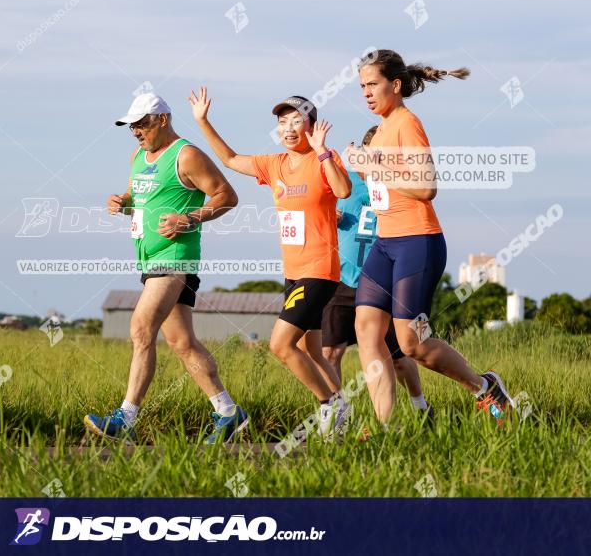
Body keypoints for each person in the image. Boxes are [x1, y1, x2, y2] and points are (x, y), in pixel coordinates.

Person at [346, 50, 513, 424]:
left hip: (416, 242)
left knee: (412, 344)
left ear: (396, 84)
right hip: (385, 244)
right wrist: (361, 164)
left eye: (372, 84)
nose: (366, 93)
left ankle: (483, 386)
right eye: (362, 87)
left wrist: (372, 165)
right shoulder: (383, 128)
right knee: (367, 332)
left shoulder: (407, 123)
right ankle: (384, 427)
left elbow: (426, 188)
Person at [83, 93, 249, 444]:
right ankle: (228, 412)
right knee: (182, 342)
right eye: (132, 126)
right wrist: (123, 202)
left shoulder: (186, 155)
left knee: (141, 328)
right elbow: (139, 196)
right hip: (149, 257)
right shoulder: (138, 156)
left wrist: (189, 218)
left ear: (162, 119)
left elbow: (226, 196)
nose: (136, 131)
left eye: (141, 123)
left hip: (175, 258)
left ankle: (125, 418)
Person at [189, 86, 352, 438]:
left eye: (297, 121)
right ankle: (340, 413)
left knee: (280, 345)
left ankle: (329, 405)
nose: (289, 128)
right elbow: (231, 160)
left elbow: (343, 192)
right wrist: (203, 122)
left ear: (311, 125)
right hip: (293, 273)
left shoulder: (324, 158)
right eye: (283, 122)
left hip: (320, 270)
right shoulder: (274, 164)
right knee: (312, 349)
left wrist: (323, 152)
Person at [322, 125, 433, 421]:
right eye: (371, 154)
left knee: (399, 357)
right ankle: (336, 415)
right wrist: (328, 216)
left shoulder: (397, 185)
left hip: (383, 282)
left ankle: (420, 406)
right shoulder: (344, 181)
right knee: (330, 351)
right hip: (343, 279)